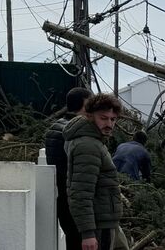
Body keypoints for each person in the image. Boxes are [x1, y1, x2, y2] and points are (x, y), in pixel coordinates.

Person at [63, 93, 123, 250]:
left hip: (101, 221)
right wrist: (88, 233)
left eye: (113, 119)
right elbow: (81, 192)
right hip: (98, 225)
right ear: (89, 116)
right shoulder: (88, 146)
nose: (109, 124)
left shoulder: (94, 140)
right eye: (103, 118)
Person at [45, 86, 92, 250]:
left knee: (71, 239)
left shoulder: (55, 127)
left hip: (61, 195)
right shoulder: (73, 132)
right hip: (73, 197)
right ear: (84, 105)